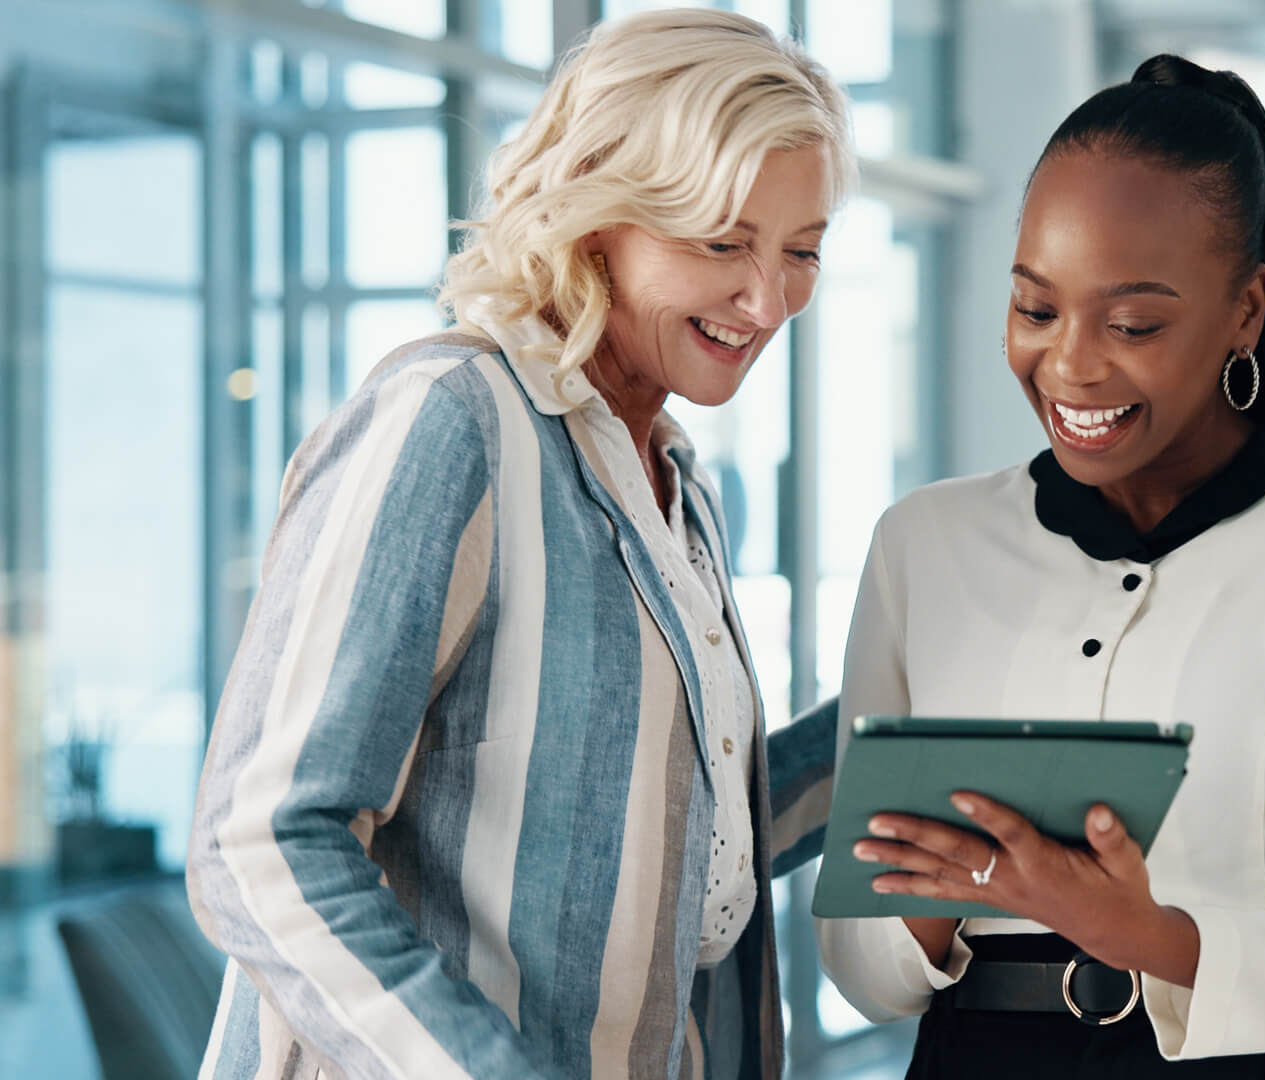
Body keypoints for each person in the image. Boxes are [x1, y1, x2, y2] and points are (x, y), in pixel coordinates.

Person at [185, 10, 852, 1079]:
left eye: (803, 251)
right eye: (722, 242)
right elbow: (262, 841)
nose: (767, 298)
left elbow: (667, 839)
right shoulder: (452, 421)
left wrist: (897, 745)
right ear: (600, 210)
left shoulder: (677, 488)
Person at [815, 54, 1265, 1078]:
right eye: (1036, 311)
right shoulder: (924, 544)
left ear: (1247, 311)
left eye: (1133, 324)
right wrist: (935, 902)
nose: (1073, 366)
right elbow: (860, 958)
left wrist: (1152, 937)